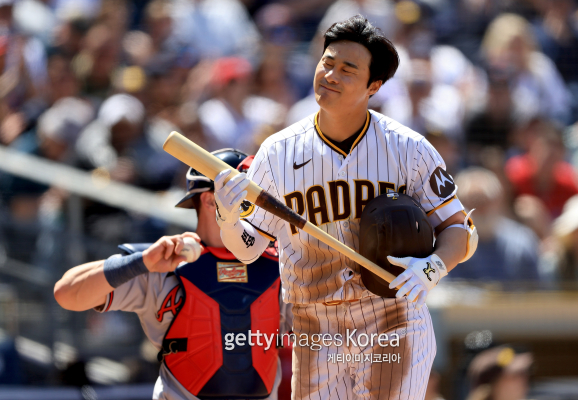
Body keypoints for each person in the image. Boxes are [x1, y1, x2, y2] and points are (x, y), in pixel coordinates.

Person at [213, 15, 478, 399]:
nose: (331, 75)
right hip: (314, 326)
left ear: (374, 85)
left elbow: (458, 228)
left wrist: (432, 268)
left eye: (347, 69)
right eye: (327, 62)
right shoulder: (277, 151)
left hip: (393, 317)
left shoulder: (408, 148)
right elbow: (249, 249)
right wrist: (227, 216)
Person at [54, 149, 283, 400]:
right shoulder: (164, 261)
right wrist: (141, 262)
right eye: (248, 195)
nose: (262, 206)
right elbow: (67, 293)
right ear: (210, 201)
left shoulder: (280, 264)